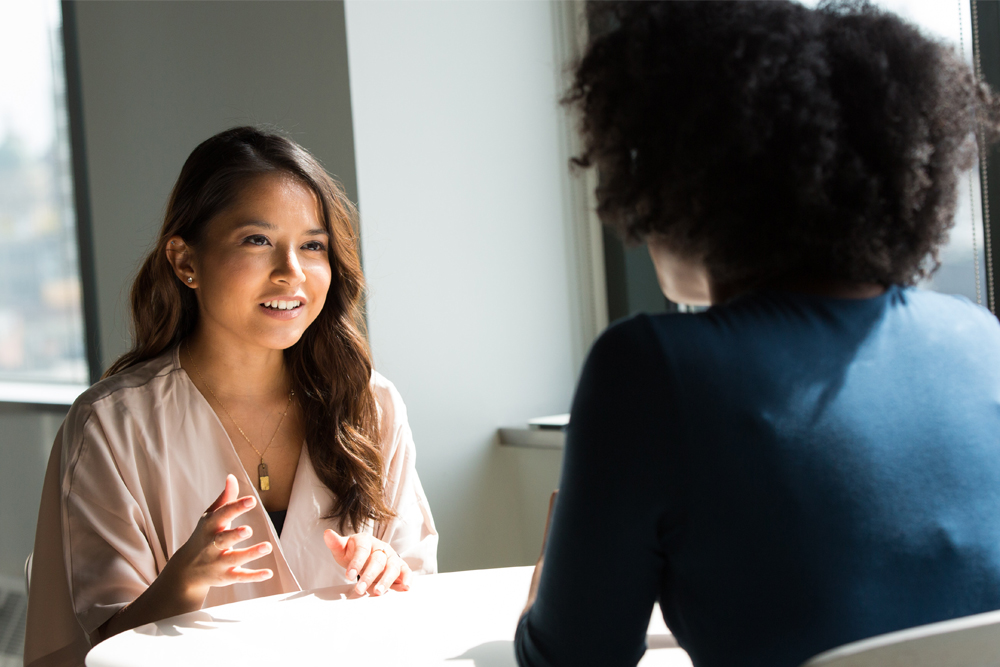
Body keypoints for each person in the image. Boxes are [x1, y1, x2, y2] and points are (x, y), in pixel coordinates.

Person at [515, 2, 1000, 666]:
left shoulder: (651, 368)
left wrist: (548, 592)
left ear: (683, 181)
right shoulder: (980, 340)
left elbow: (572, 659)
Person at [24, 127, 438, 667]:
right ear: (185, 261)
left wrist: (389, 569)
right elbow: (102, 651)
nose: (292, 272)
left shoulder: (372, 405)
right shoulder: (112, 424)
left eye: (313, 246)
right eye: (257, 241)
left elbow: (420, 600)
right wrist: (183, 584)